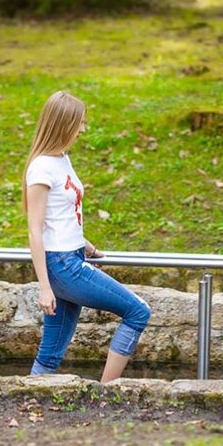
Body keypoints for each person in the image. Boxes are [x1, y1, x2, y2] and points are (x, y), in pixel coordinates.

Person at [24, 90, 150, 381]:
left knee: (50, 353)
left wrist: (85, 244)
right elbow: (35, 229)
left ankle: (29, 396)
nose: (83, 129)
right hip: (63, 266)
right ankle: (106, 393)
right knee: (139, 312)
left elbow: (62, 214)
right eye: (79, 123)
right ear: (62, 123)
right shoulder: (42, 167)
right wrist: (45, 287)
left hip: (73, 256)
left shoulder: (61, 159)